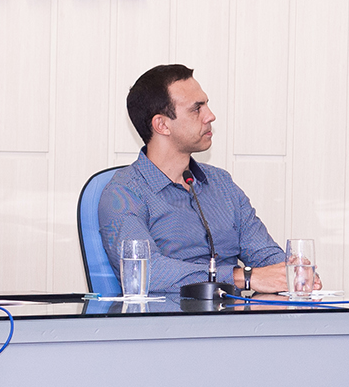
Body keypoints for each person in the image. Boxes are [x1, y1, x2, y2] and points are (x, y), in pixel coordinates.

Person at [98, 65, 307, 295]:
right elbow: (146, 272)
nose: (210, 116)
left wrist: (292, 271)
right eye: (197, 109)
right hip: (170, 316)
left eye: (206, 104)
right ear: (162, 125)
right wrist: (242, 277)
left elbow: (263, 254)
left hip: (235, 315)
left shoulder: (221, 183)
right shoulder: (123, 193)